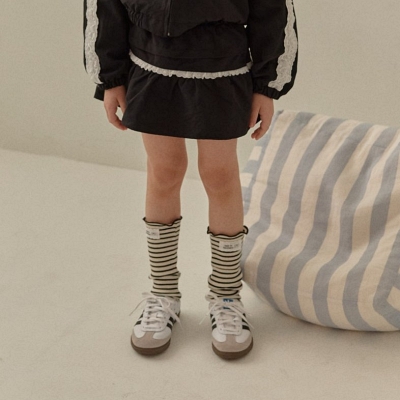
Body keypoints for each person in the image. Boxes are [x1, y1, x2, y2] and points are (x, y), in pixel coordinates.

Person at [84, 0, 298, 359]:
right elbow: (105, 5)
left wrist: (266, 83)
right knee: (163, 172)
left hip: (222, 68)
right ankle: (163, 292)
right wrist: (111, 77)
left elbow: (272, 7)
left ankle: (226, 296)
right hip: (150, 63)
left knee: (220, 175)